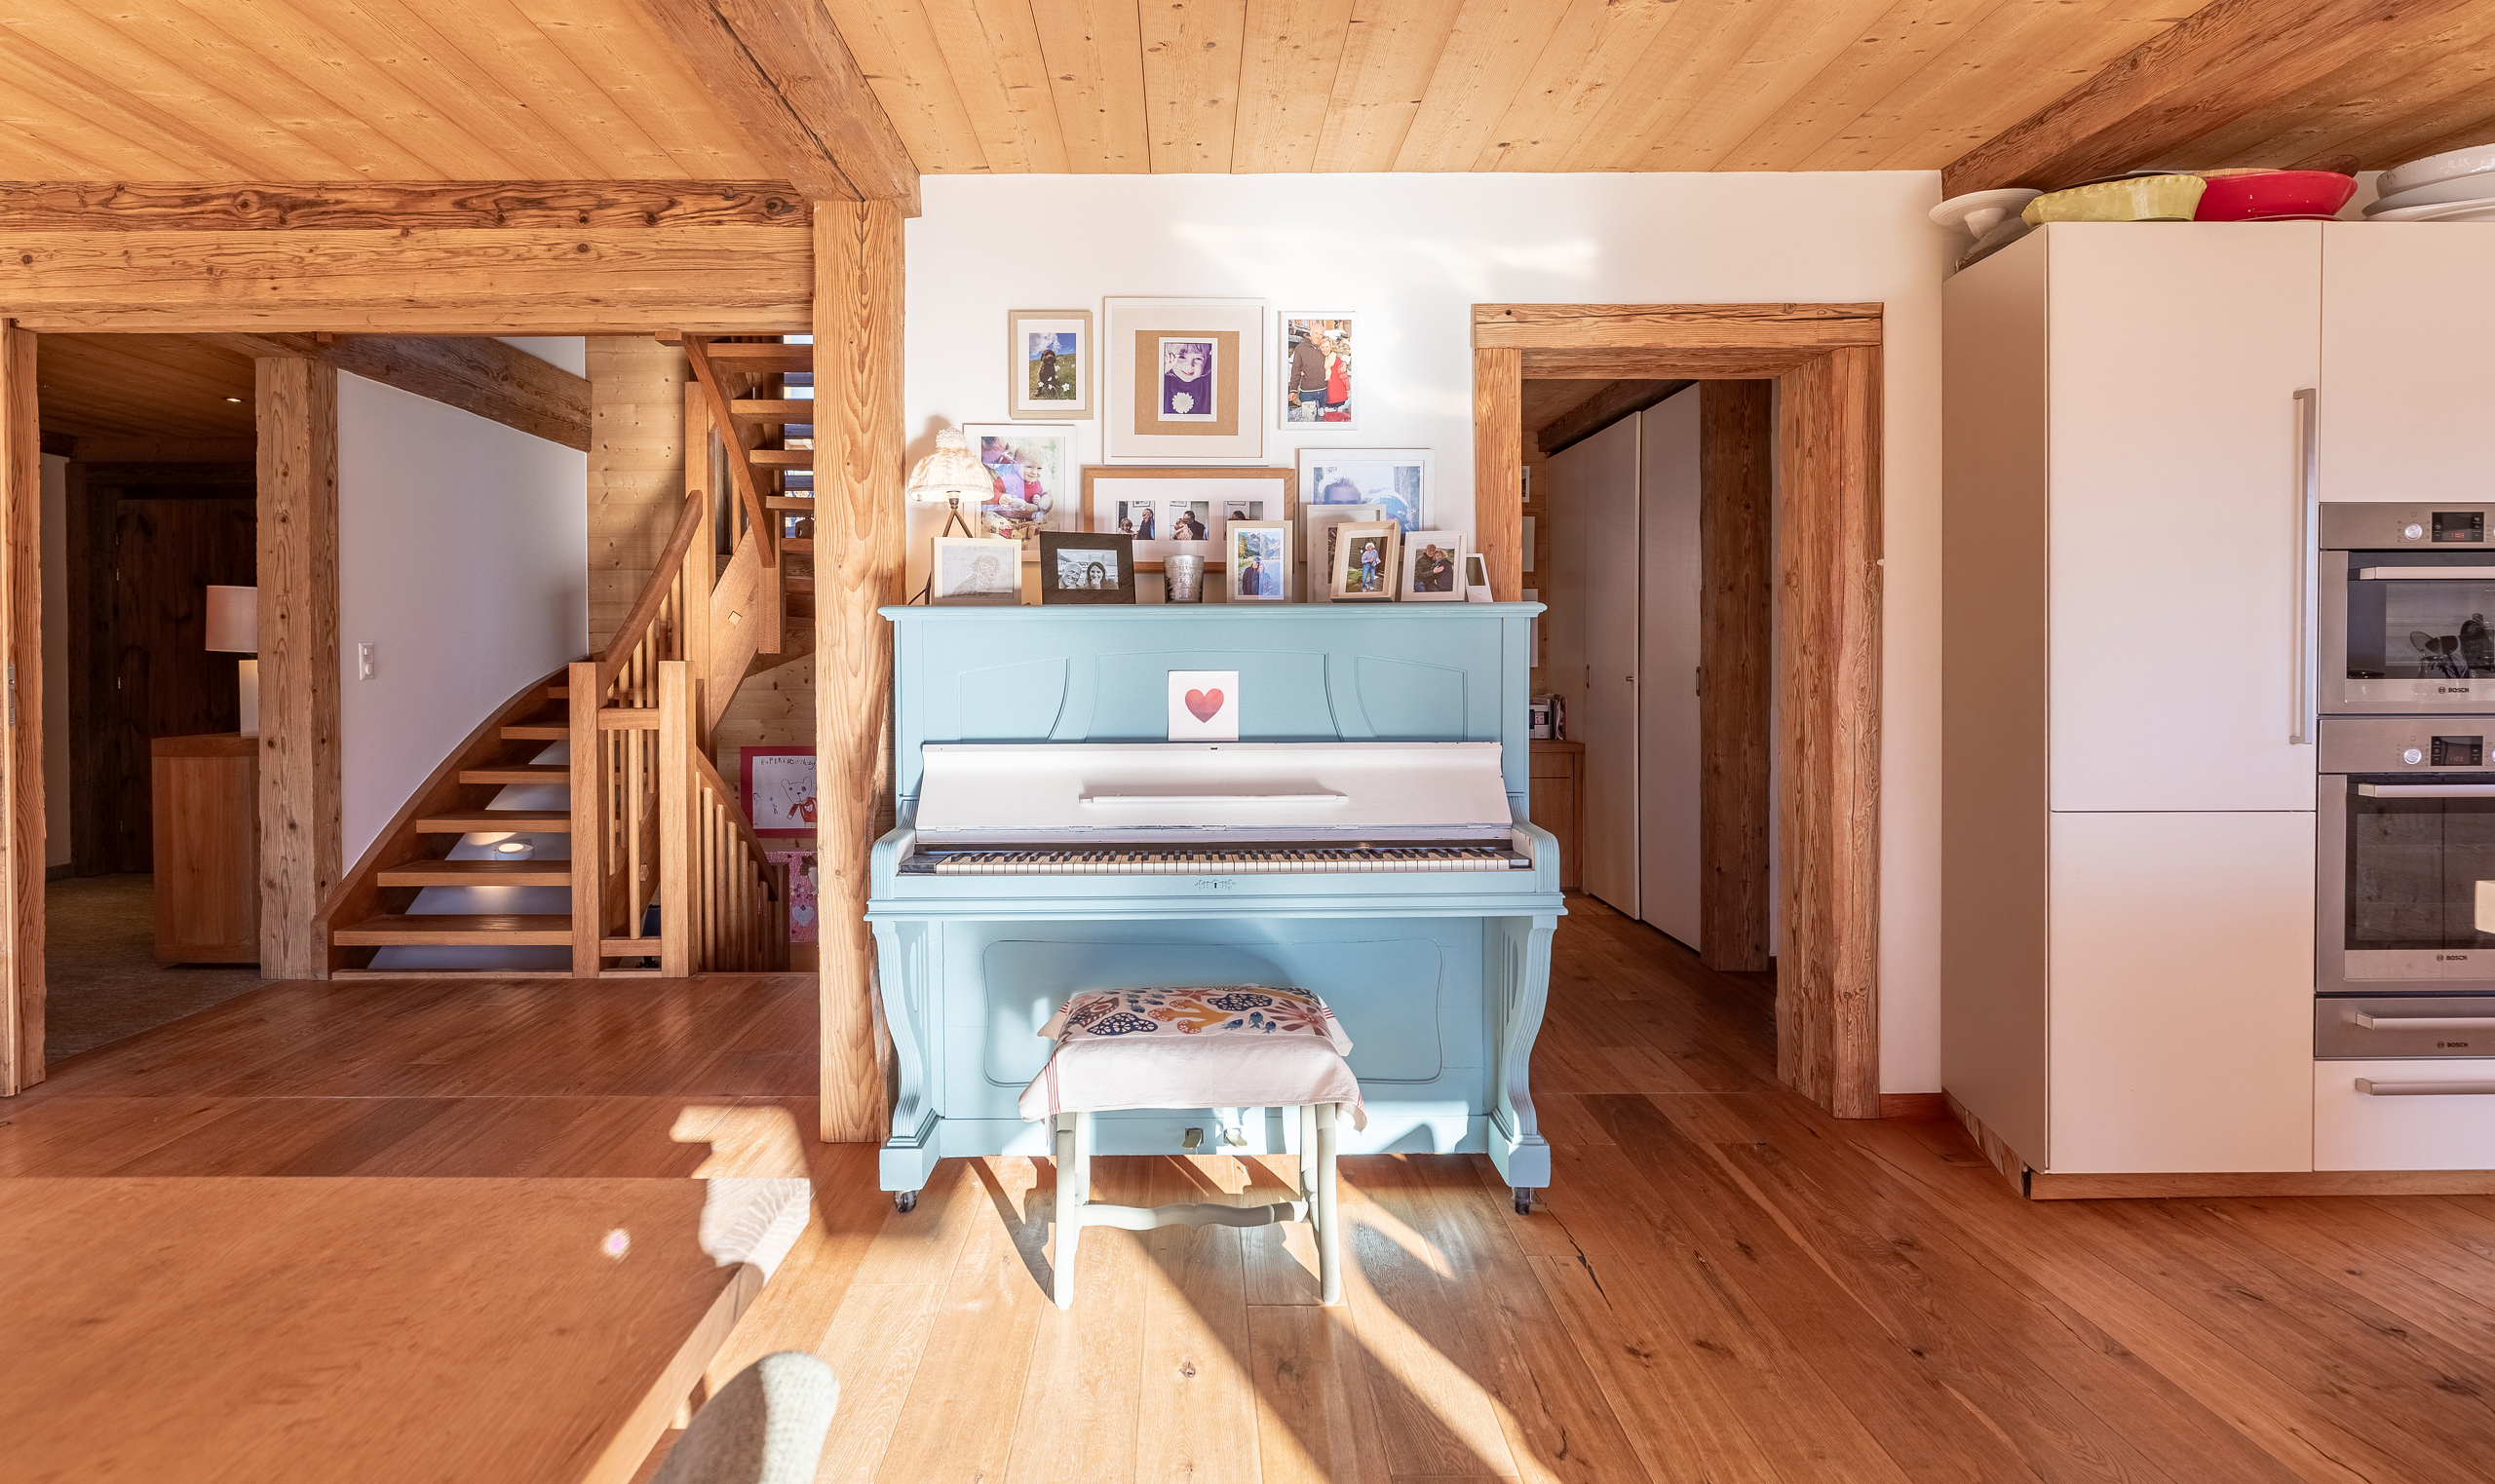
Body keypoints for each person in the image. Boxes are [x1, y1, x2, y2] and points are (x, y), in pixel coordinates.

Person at [1162, 341, 1211, 417]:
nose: (1189, 365)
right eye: (1182, 357)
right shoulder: (1162, 379)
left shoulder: (1210, 379)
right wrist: (1161, 369)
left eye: (1198, 358)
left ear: (1207, 360)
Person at [1287, 326, 1327, 421]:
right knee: (1308, 421)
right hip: (1307, 392)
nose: (1318, 336)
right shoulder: (1300, 348)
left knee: (1321, 421)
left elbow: (1333, 359)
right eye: (1316, 333)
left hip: (1324, 391)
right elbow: (1296, 370)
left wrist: (1342, 364)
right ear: (1310, 333)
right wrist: (1293, 389)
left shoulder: (1324, 347)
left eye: (1320, 334)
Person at [1323, 334, 1351, 420]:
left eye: (1327, 346)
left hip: (1338, 396)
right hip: (1327, 396)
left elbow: (1344, 377)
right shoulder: (1321, 359)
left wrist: (1348, 389)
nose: (1325, 349)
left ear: (1331, 347)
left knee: (1337, 420)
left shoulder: (1337, 360)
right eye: (1322, 347)